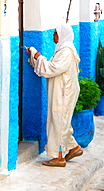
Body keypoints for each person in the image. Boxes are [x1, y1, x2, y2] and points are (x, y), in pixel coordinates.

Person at [27, 24, 83, 167]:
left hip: (64, 93)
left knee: (58, 121)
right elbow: (50, 67)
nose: (53, 35)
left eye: (55, 33)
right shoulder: (62, 50)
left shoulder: (66, 52)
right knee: (61, 121)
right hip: (61, 91)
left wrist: (39, 56)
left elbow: (53, 68)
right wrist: (35, 56)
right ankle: (73, 147)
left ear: (62, 35)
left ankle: (58, 157)